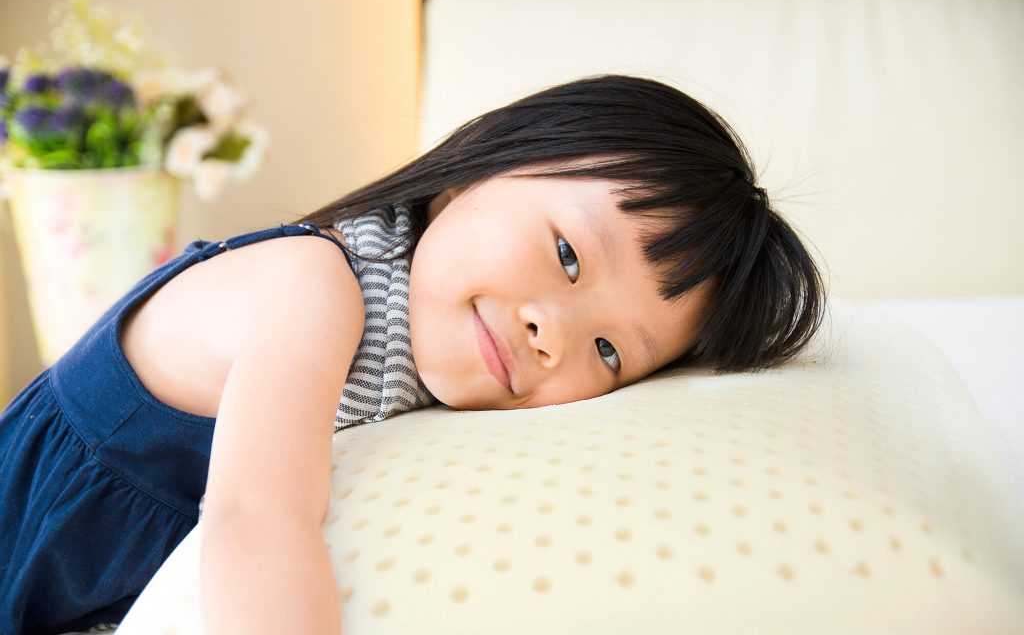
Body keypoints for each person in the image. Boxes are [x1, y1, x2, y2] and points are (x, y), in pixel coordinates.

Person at [0, 73, 828, 633]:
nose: (554, 334)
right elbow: (258, 517)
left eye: (609, 352)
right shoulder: (312, 287)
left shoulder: (450, 359)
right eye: (569, 256)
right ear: (479, 171)